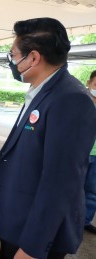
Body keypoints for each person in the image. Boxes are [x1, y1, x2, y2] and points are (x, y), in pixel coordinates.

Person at [0, 18, 96, 259]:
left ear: (34, 58)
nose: (12, 61)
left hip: (34, 236)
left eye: (14, 54)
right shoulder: (43, 90)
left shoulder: (70, 99)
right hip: (19, 221)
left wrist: (32, 247)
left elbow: (61, 182)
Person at [85, 70, 96, 234]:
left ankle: (85, 221)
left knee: (92, 192)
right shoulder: (79, 101)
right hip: (81, 153)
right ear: (89, 83)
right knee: (72, 189)